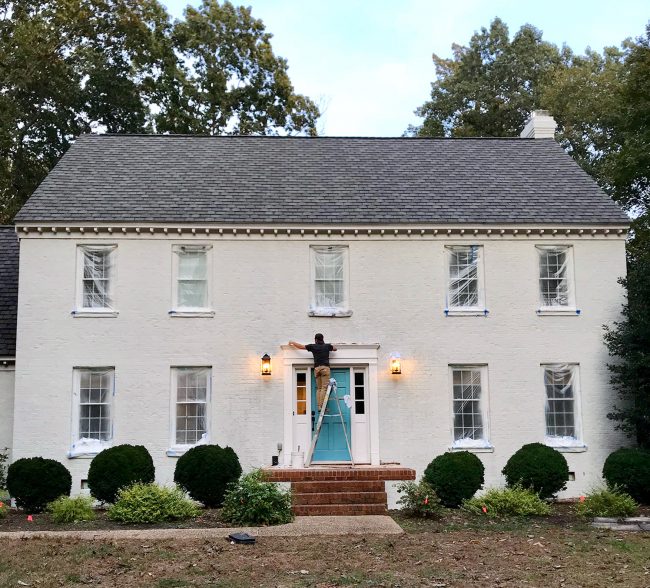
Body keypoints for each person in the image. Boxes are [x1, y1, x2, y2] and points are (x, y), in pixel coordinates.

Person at [288, 334, 337, 411]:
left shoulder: (313, 346)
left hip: (317, 368)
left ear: (315, 340)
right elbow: (335, 349)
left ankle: (319, 406)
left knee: (319, 388)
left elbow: (301, 346)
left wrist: (292, 342)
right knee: (324, 388)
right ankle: (322, 406)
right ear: (322, 339)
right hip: (325, 368)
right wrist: (330, 347)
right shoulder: (327, 346)